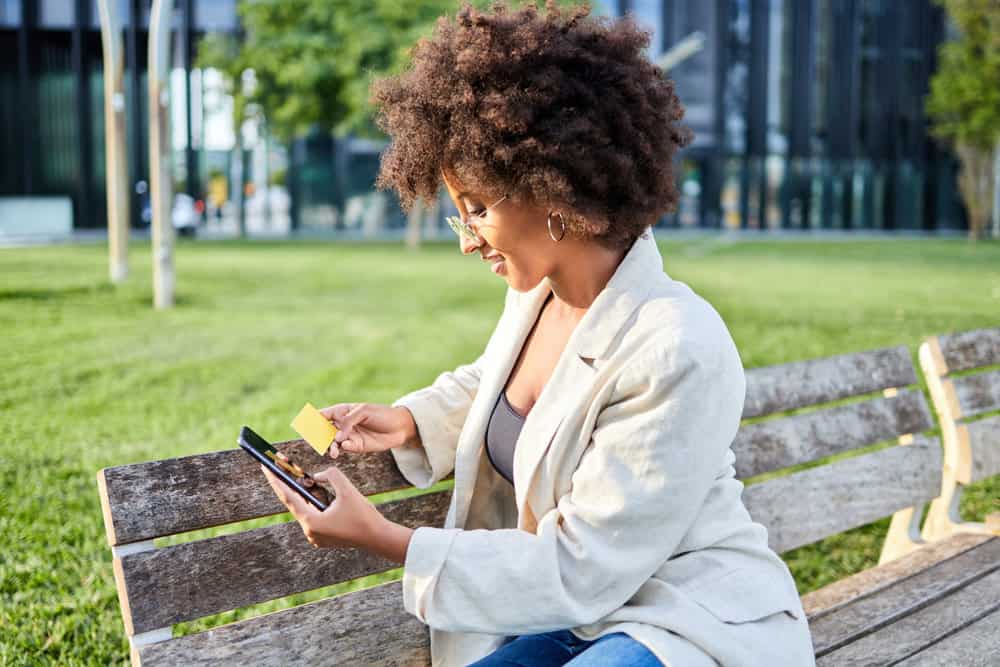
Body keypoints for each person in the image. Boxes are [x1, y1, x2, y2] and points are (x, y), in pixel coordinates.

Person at [260, 2, 816, 665]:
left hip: (688, 616)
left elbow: (579, 567)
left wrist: (383, 536)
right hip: (579, 618)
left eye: (476, 210)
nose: (466, 242)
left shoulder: (680, 347)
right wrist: (409, 421)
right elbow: (512, 390)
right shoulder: (539, 294)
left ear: (552, 187)